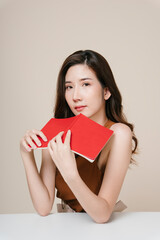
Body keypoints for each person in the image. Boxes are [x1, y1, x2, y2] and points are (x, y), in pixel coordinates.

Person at [20, 50, 138, 223]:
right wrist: (26, 154)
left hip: (102, 230)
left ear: (106, 91)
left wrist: (70, 172)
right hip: (66, 227)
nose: (76, 96)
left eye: (86, 84)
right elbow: (43, 207)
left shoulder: (118, 134)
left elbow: (102, 215)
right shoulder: (56, 131)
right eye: (69, 87)